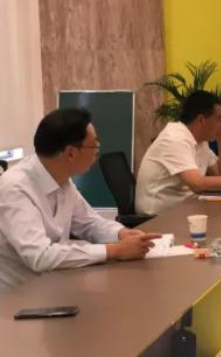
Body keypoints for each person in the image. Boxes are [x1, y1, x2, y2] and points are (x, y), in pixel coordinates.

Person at [0, 108, 162, 291]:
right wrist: (114, 250)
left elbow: (90, 223)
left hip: (54, 284)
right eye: (94, 146)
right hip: (18, 297)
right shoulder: (15, 188)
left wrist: (121, 234)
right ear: (71, 153)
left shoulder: (62, 179)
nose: (97, 152)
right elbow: (40, 256)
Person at [136, 90, 221, 216]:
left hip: (185, 209)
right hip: (157, 217)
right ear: (202, 120)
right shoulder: (175, 138)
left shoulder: (200, 141)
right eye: (218, 118)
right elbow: (197, 184)